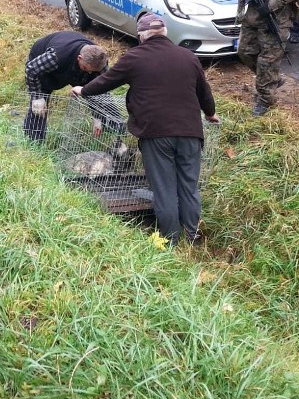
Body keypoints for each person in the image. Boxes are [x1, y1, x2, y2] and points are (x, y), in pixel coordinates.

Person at [71, 14, 220, 246]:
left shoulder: (134, 57)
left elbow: (106, 81)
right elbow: (204, 92)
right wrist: (210, 113)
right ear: (165, 31)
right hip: (190, 132)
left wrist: (83, 90)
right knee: (189, 187)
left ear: (141, 36)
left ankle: (171, 240)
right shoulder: (188, 57)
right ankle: (192, 236)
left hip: (156, 134)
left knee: (164, 188)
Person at [24, 31, 109, 141]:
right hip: (45, 70)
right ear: (80, 58)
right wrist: (36, 97)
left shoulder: (99, 60)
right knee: (39, 107)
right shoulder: (55, 57)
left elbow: (103, 86)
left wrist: (98, 116)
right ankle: (33, 141)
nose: (89, 73)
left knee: (97, 88)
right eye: (85, 69)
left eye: (93, 71)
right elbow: (31, 69)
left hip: (74, 65)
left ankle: (114, 135)